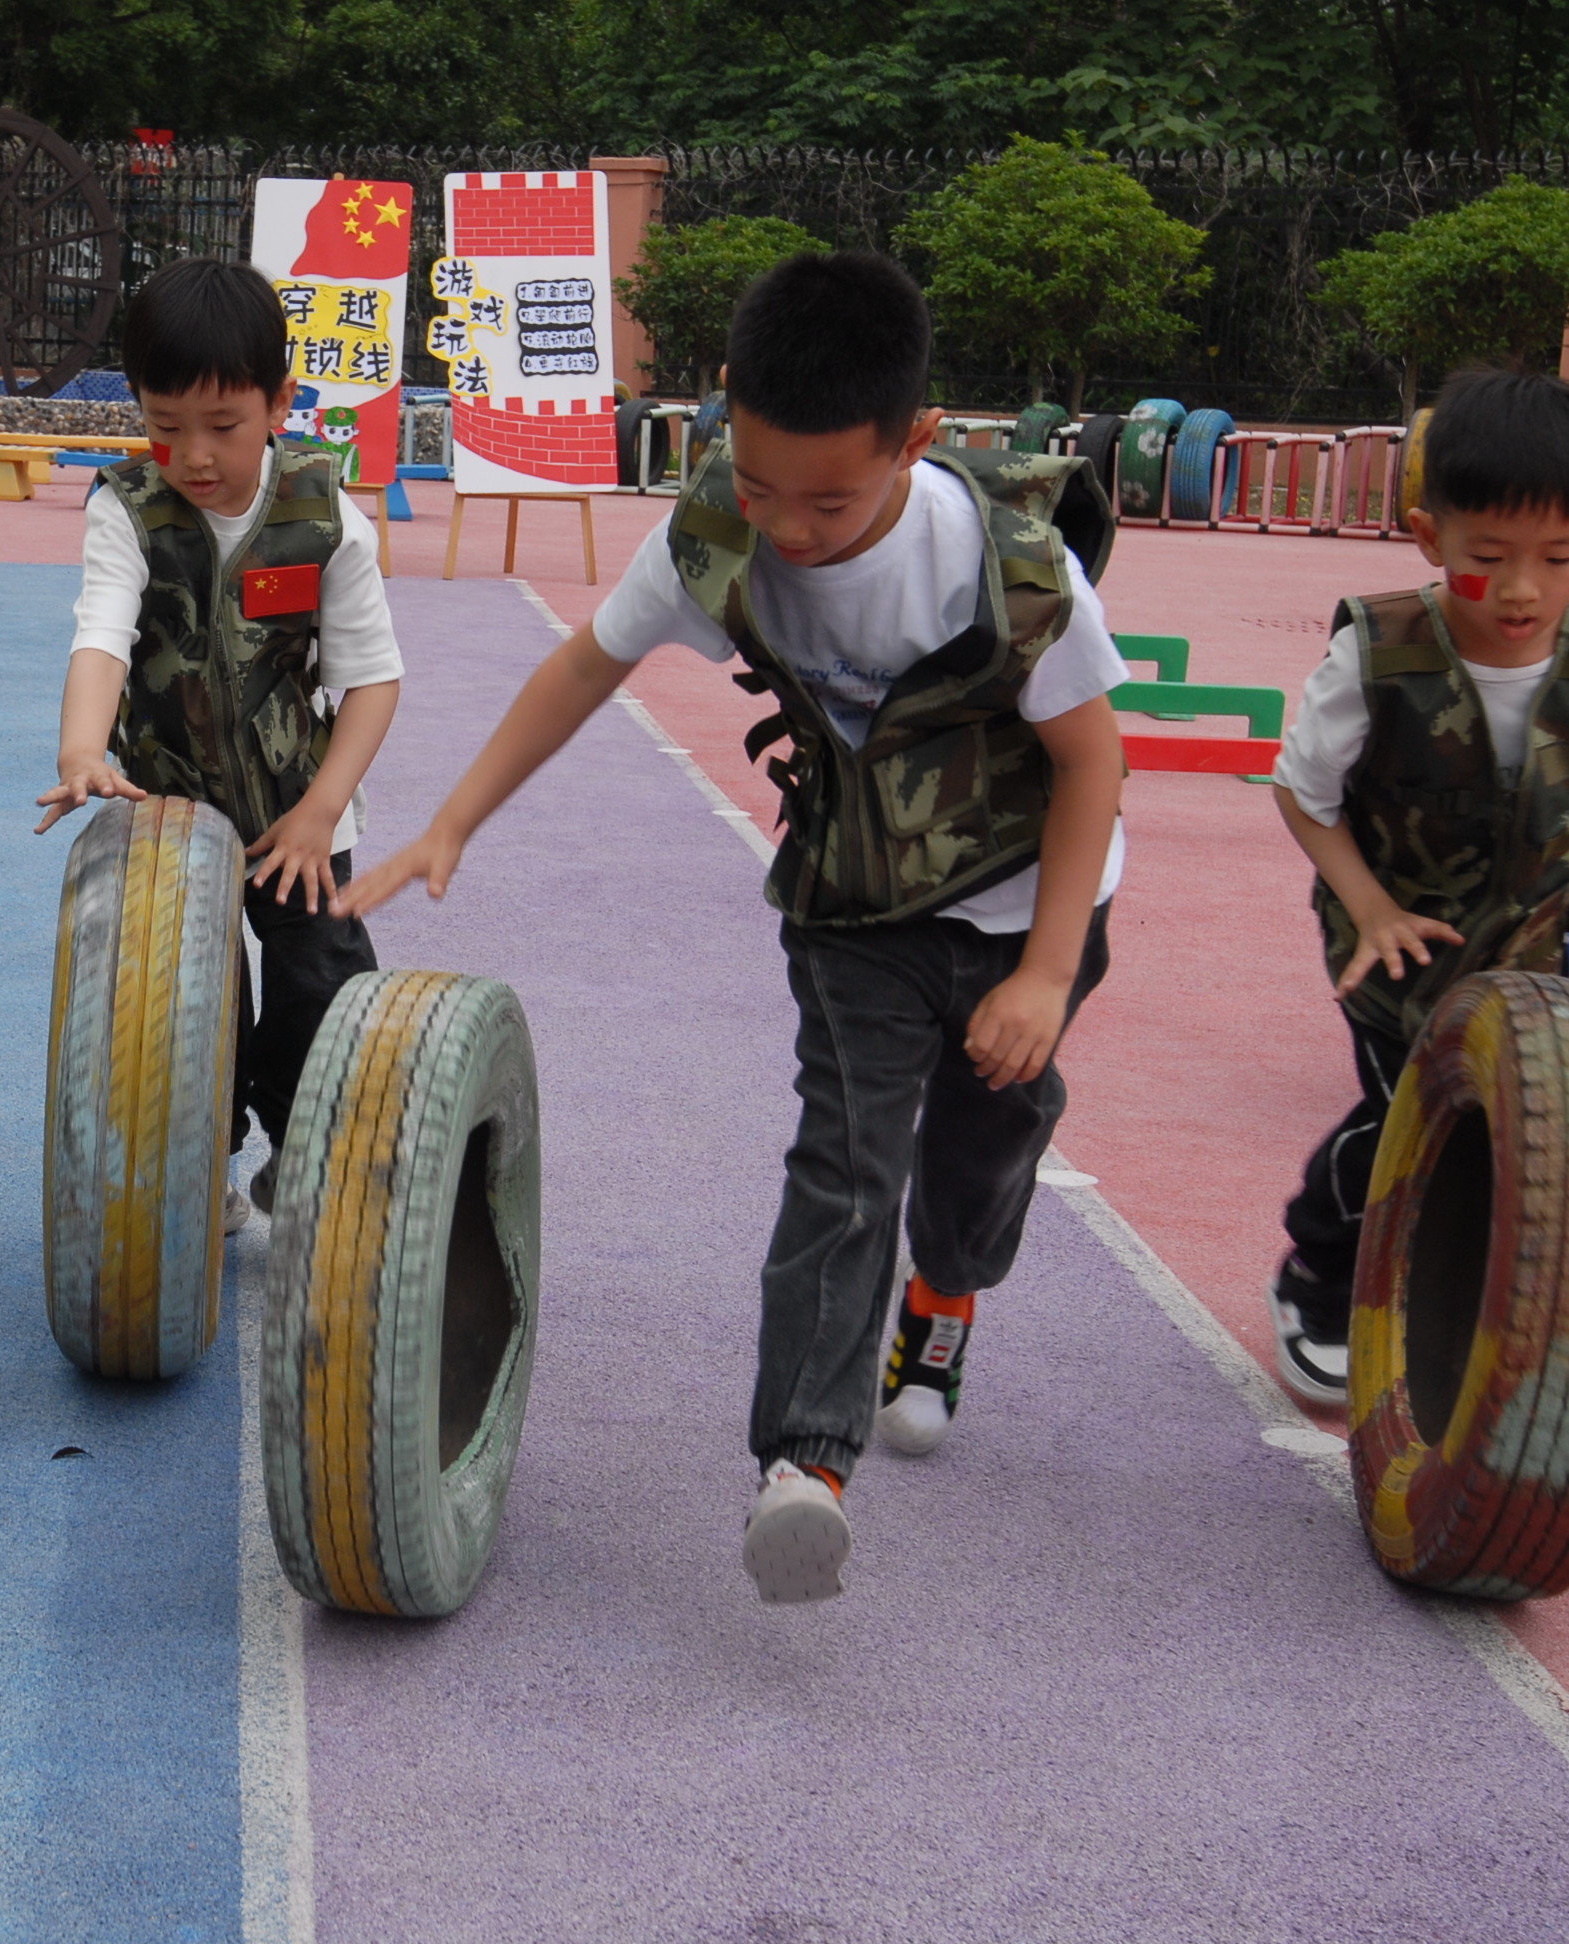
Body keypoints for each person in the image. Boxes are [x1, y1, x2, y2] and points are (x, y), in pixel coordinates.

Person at [340, 250, 1130, 1605]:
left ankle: (946, 1298)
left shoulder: (1008, 571)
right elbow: (588, 664)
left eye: (831, 499)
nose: (793, 528)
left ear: (915, 444)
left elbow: (1092, 765)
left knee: (985, 1149)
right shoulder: (716, 525)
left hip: (1030, 903)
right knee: (846, 1160)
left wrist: (1049, 973)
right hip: (858, 904)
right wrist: (456, 818)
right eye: (763, 486)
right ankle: (804, 1469)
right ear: (724, 412)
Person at [36, 258, 403, 1228]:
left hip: (296, 808)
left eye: (223, 427)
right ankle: (200, 1165)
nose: (194, 456)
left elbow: (371, 680)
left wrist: (320, 815)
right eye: (164, 426)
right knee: (181, 1003)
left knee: (321, 984)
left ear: (280, 401)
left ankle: (303, 1150)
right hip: (168, 813)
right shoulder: (126, 511)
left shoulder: (324, 517)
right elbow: (100, 635)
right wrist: (82, 752)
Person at [1267, 368, 1569, 1404]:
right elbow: (1301, 791)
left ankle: (1465, 1313)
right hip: (1401, 946)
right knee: (1406, 1114)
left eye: (1558, 558)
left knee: (1528, 1138)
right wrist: (1364, 905)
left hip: (1541, 950)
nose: (1520, 591)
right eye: (1486, 559)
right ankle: (1317, 1273)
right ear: (1428, 536)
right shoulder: (1377, 653)